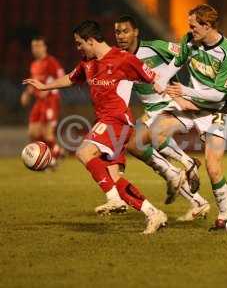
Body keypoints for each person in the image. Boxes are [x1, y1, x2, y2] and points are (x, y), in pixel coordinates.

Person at [23, 20, 167, 234]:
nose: (78, 48)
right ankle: (154, 214)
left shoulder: (123, 59)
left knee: (83, 152)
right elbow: (71, 79)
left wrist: (163, 91)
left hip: (117, 120)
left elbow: (152, 76)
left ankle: (113, 199)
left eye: (80, 43)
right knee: (115, 179)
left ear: (91, 41)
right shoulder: (87, 63)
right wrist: (45, 86)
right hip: (107, 121)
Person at [147, 4, 227, 231]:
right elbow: (175, 63)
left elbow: (220, 93)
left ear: (207, 26)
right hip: (189, 107)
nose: (190, 30)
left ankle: (224, 217)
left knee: (214, 167)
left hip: (215, 111)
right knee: (154, 134)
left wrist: (184, 91)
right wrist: (160, 82)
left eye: (194, 26)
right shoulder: (189, 41)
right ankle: (187, 164)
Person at [112, 15, 210, 221]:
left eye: (125, 31)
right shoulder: (120, 59)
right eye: (117, 32)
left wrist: (194, 89)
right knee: (142, 147)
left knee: (134, 144)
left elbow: (185, 54)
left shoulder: (155, 47)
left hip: (170, 102)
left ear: (136, 32)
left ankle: (185, 164)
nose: (121, 36)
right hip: (152, 109)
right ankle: (198, 201)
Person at [21, 36, 65, 169]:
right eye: (34, 46)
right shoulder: (34, 64)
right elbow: (34, 82)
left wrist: (50, 88)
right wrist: (27, 93)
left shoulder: (51, 62)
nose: (36, 49)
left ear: (45, 47)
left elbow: (62, 77)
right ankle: (58, 151)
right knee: (33, 133)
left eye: (39, 46)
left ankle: (52, 159)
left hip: (51, 100)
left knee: (47, 132)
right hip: (39, 102)